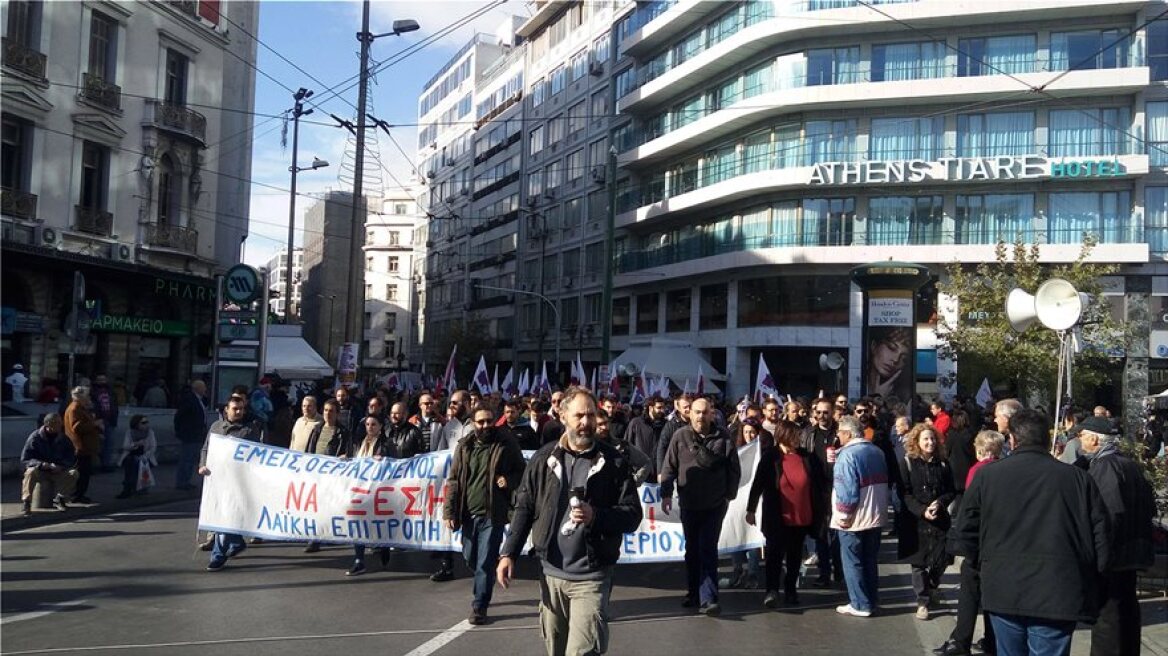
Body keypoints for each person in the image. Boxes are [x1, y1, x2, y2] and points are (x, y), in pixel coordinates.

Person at [951, 409, 1111, 655]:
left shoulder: (987, 476)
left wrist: (982, 565)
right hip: (1058, 588)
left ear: (1013, 440)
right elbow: (1100, 537)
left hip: (1005, 586)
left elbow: (965, 531)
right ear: (1047, 441)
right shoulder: (1078, 479)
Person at [497, 387, 642, 656]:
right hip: (550, 574)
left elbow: (633, 515)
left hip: (592, 577)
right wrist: (509, 553)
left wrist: (596, 516)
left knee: (582, 651)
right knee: (555, 649)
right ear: (563, 416)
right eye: (579, 416)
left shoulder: (614, 462)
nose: (586, 422)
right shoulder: (544, 458)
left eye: (590, 415)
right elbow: (524, 507)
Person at [1076, 416, 1156, 656]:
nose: (1079, 439)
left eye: (1082, 435)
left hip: (1116, 555)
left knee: (1109, 616)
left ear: (1094, 439)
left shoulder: (1107, 466)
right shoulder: (1126, 463)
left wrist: (1100, 554)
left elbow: (1109, 513)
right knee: (1125, 610)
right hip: (1129, 552)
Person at [443, 405, 526, 625]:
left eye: (489, 421)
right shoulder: (465, 446)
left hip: (493, 513)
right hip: (468, 513)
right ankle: (484, 580)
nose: (486, 425)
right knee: (471, 557)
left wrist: (508, 480)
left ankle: (480, 605)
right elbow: (453, 480)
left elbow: (522, 471)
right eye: (481, 422)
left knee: (484, 562)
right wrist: (449, 511)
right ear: (473, 423)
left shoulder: (506, 443)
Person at [660, 396, 742, 616]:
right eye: (696, 412)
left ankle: (709, 598)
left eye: (704, 412)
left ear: (712, 413)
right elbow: (669, 467)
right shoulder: (680, 436)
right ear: (689, 414)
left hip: (714, 505)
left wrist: (729, 495)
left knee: (708, 549)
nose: (700, 416)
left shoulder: (723, 437)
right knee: (692, 551)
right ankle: (693, 593)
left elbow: (734, 469)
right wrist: (666, 494)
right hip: (689, 503)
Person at [937, 430, 1004, 656]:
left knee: (970, 592)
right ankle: (991, 640)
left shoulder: (977, 471)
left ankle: (961, 640)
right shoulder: (1004, 469)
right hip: (998, 541)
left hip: (979, 540)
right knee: (992, 595)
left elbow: (970, 509)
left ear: (979, 449)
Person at [747, 420, 827, 607]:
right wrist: (750, 509)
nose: (799, 439)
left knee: (794, 556)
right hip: (777, 516)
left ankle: (790, 590)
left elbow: (819, 482)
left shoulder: (807, 457)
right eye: (796, 436)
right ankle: (772, 590)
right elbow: (757, 484)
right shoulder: (770, 457)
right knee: (774, 555)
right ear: (784, 436)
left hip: (801, 515)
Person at [832, 415, 889, 618]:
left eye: (839, 432)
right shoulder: (877, 451)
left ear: (847, 434)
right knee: (870, 559)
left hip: (856, 517)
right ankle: (871, 600)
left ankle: (859, 603)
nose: (837, 435)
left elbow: (847, 489)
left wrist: (844, 514)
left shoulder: (847, 455)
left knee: (852, 560)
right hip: (876, 514)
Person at [199, 395, 265, 571]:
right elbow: (206, 448)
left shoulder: (249, 431)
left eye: (242, 409)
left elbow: (257, 456)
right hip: (216, 479)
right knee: (224, 516)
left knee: (225, 517)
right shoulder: (216, 427)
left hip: (237, 482)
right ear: (226, 410)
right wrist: (202, 465)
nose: (239, 412)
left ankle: (218, 555)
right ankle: (236, 542)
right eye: (235, 409)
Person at [897, 424, 955, 621]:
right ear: (917, 442)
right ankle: (922, 601)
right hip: (915, 522)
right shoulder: (907, 463)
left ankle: (932, 586)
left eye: (932, 439)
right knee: (918, 563)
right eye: (925, 439)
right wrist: (922, 511)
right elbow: (904, 493)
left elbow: (951, 490)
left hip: (939, 520)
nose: (930, 442)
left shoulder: (944, 464)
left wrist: (940, 502)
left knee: (943, 558)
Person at [338, 414, 392, 575]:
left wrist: (384, 461)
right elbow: (353, 460)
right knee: (357, 522)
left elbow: (396, 464)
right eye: (367, 424)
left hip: (377, 490)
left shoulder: (387, 444)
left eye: (374, 424)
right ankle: (359, 559)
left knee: (376, 522)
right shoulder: (357, 443)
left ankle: (383, 546)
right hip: (358, 489)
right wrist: (346, 459)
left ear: (381, 426)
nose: (370, 427)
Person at [430, 390, 474, 583]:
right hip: (452, 482)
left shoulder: (476, 425)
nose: (451, 407)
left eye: (455, 403)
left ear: (466, 403)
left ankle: (476, 561)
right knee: (447, 521)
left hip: (472, 482)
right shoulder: (449, 427)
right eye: (450, 403)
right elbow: (439, 453)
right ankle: (446, 566)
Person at [802, 397, 843, 587]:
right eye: (818, 412)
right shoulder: (809, 434)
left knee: (837, 532)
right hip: (816, 489)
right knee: (820, 533)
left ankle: (840, 571)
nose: (822, 416)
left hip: (838, 487)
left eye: (826, 412)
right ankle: (824, 573)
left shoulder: (840, 433)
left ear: (832, 412)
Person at [19, 413, 77, 516]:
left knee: (73, 473)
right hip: (41, 470)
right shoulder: (35, 437)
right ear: (47, 424)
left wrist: (61, 466)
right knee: (30, 472)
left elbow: (71, 457)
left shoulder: (63, 439)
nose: (59, 426)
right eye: (56, 423)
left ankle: (60, 498)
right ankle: (26, 502)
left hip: (57, 470)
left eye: (60, 423)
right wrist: (41, 464)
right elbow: (26, 459)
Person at [63, 386, 102, 504]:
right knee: (81, 473)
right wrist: (94, 424)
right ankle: (76, 495)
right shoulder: (75, 408)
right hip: (80, 446)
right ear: (81, 397)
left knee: (84, 472)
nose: (89, 398)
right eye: (87, 395)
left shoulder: (81, 408)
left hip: (85, 446)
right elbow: (77, 427)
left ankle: (79, 494)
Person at [174, 380, 210, 490]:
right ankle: (182, 482)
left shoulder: (199, 400)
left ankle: (186, 481)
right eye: (203, 387)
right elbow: (179, 417)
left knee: (191, 459)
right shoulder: (189, 400)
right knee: (187, 458)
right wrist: (181, 432)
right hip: (190, 435)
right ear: (198, 389)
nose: (205, 390)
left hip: (197, 434)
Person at [115, 415, 158, 499]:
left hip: (146, 457)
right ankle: (129, 487)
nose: (146, 424)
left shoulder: (150, 432)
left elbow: (153, 447)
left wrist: (144, 456)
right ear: (136, 424)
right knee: (130, 462)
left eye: (146, 422)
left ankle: (131, 488)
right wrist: (135, 444)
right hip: (131, 454)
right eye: (143, 423)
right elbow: (125, 446)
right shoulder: (130, 432)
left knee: (136, 462)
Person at [624, 395, 666, 474]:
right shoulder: (636, 423)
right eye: (659, 408)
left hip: (659, 474)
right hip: (640, 473)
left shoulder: (666, 425)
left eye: (663, 408)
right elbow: (627, 445)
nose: (662, 411)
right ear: (650, 408)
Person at [867, 327, 911, 399]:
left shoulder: (904, 397)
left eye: (904, 359)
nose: (896, 360)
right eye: (891, 348)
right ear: (874, 346)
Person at [90, 373, 120, 469]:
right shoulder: (92, 392)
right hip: (98, 420)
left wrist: (114, 417)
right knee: (98, 443)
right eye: (100, 379)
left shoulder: (111, 392)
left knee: (109, 443)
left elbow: (114, 405)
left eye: (104, 379)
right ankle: (97, 464)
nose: (102, 382)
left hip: (109, 420)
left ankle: (106, 464)